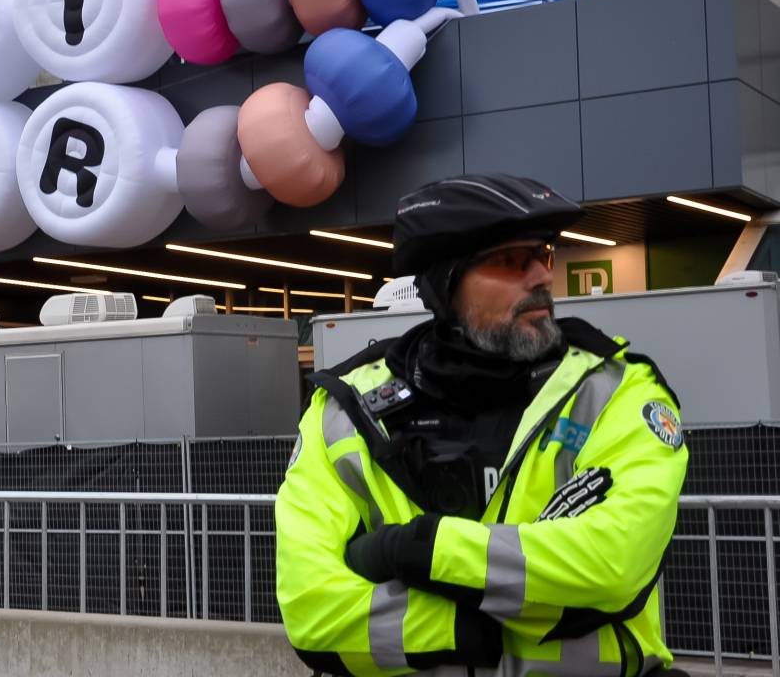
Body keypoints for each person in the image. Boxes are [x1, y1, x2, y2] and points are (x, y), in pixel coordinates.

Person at [276, 174, 690, 676]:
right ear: (446, 282)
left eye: (544, 255)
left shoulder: (615, 392)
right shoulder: (345, 411)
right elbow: (312, 610)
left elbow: (612, 564)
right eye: (512, 261)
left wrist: (412, 551)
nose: (540, 276)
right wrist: (479, 630)